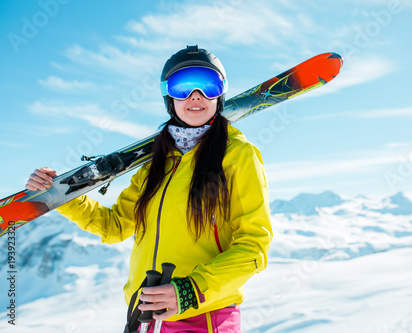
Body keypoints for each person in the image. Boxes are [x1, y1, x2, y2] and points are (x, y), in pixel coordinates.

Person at [26, 45, 273, 333]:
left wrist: (190, 290)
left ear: (221, 93)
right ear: (169, 97)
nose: (196, 96)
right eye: (182, 87)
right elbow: (115, 226)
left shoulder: (237, 154)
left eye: (208, 85)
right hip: (143, 320)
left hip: (202, 317)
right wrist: (60, 196)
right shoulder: (154, 163)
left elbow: (254, 246)